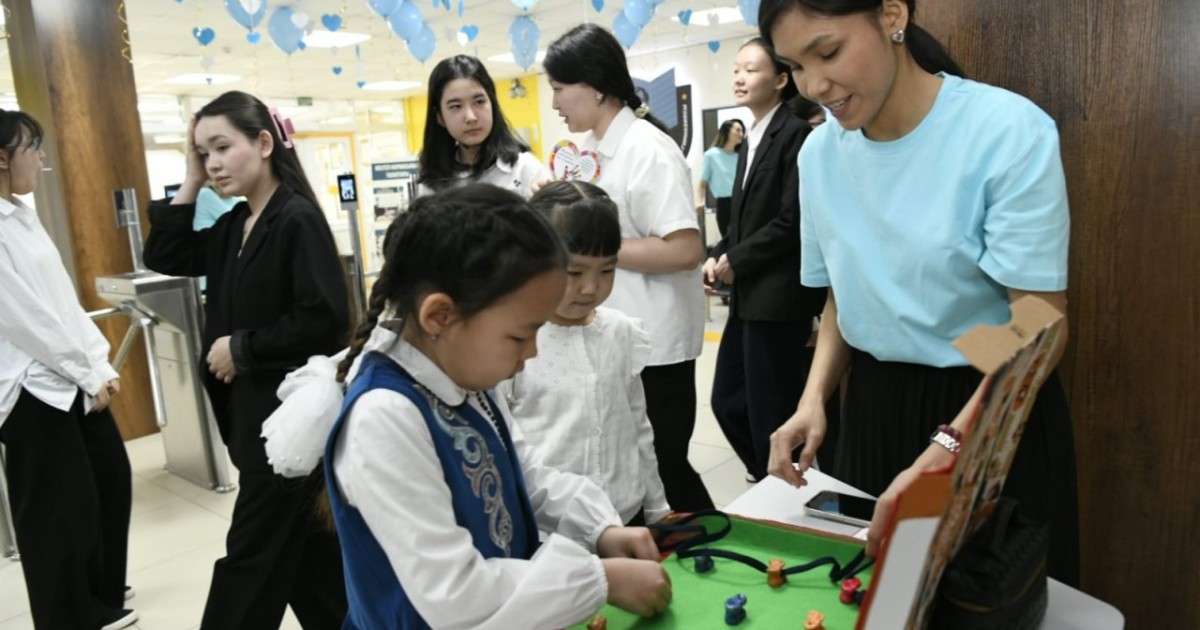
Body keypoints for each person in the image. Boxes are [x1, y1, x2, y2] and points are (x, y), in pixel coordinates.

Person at [759, 0, 1080, 585]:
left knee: (983, 603)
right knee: (881, 595)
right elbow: (843, 299)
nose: (815, 84)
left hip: (986, 402)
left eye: (828, 52)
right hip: (873, 409)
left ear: (891, 15)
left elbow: (1036, 318)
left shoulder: (1003, 130)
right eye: (795, 66)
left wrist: (951, 442)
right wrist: (814, 400)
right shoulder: (819, 153)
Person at [325, 183, 672, 628]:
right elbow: (454, 592)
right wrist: (598, 580)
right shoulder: (384, 417)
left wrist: (599, 529)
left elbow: (525, 475)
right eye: (519, 335)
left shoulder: (465, 373)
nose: (531, 353)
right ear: (440, 316)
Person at [142, 90, 350, 628]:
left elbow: (323, 318)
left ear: (263, 143)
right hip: (251, 419)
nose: (212, 163)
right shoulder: (236, 224)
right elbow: (163, 254)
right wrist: (188, 180)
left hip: (287, 424)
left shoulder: (295, 218)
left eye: (221, 147)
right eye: (201, 152)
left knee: (248, 565)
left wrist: (242, 348)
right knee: (311, 564)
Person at [544, 24, 713, 511]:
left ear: (595, 85)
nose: (555, 103)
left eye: (559, 89)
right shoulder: (596, 150)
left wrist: (591, 243)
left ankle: (706, 544)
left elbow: (684, 249)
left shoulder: (647, 149)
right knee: (635, 463)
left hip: (655, 347)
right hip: (618, 337)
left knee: (664, 467)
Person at [0, 110, 135, 629]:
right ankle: (67, 617)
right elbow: (24, 319)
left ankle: (100, 595)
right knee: (56, 510)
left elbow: (61, 301)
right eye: (30, 147)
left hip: (69, 377)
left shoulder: (23, 214)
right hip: (28, 388)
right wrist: (87, 373)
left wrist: (98, 362)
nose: (39, 158)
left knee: (109, 479)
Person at [499, 181, 670, 527]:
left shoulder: (621, 332)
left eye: (607, 270)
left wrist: (657, 507)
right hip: (552, 528)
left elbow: (638, 426)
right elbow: (505, 448)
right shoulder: (513, 343)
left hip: (625, 512)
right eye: (574, 272)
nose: (591, 287)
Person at [704, 38, 833, 483]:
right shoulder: (750, 137)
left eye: (752, 70)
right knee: (727, 401)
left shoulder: (795, 135)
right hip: (747, 298)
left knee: (770, 412)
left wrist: (737, 258)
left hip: (779, 300)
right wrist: (719, 253)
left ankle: (788, 494)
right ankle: (770, 478)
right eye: (737, 68)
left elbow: (793, 219)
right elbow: (744, 220)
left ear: (781, 80)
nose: (739, 77)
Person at [416, 55, 548, 199]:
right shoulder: (433, 180)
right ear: (440, 117)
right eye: (456, 106)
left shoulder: (525, 169)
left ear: (492, 104)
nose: (471, 117)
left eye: (479, 102)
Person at [696, 119, 744, 238]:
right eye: (738, 130)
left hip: (743, 202)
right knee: (729, 241)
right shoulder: (711, 155)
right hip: (725, 205)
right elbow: (702, 183)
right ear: (726, 131)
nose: (741, 134)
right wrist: (699, 201)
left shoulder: (741, 156)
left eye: (742, 131)